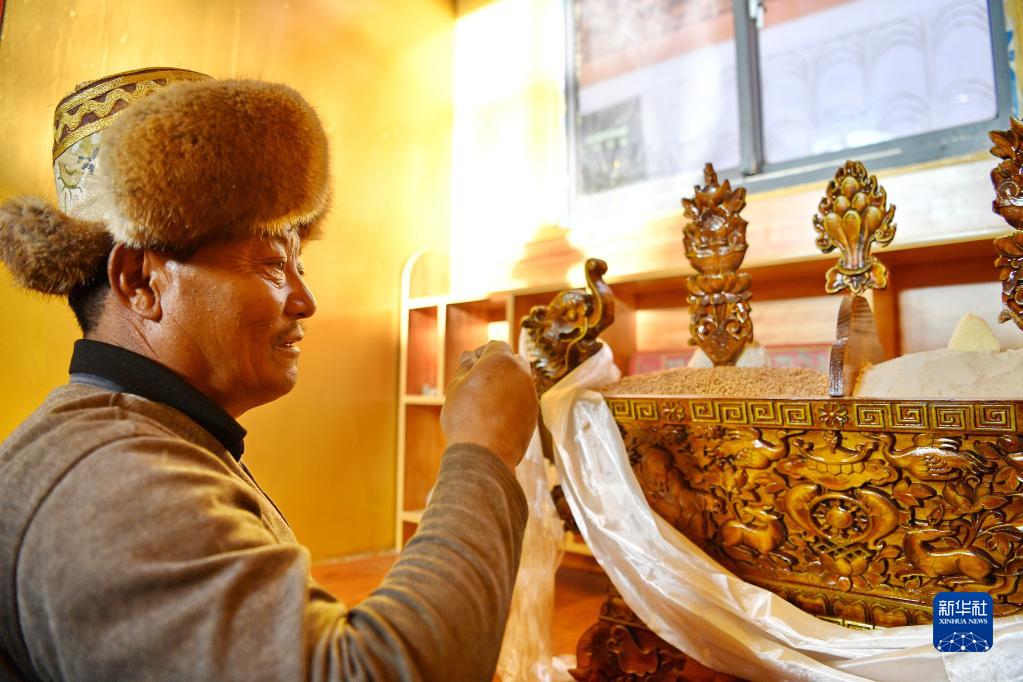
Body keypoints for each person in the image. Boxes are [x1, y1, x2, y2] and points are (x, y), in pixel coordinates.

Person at [0, 68, 538, 681]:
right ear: (141, 280)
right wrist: (483, 449)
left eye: (299, 265)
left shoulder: (143, 436)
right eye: (272, 264)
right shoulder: (113, 482)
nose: (305, 301)